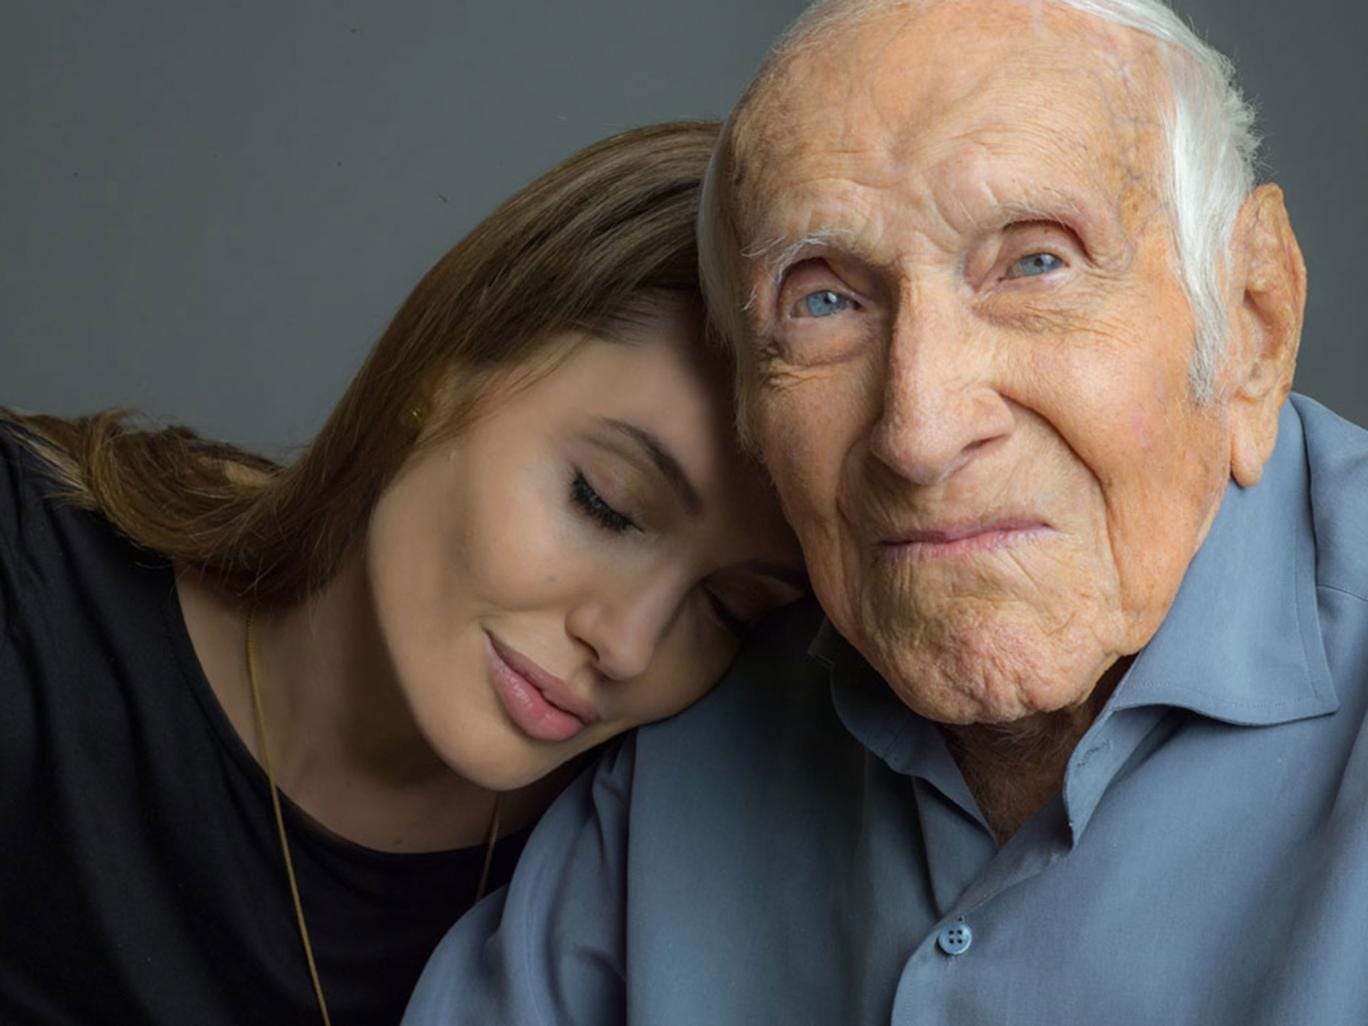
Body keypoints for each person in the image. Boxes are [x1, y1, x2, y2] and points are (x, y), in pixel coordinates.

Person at [403, 1, 1368, 1023]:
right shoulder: (700, 723)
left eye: (1036, 261)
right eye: (824, 301)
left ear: (1254, 323)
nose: (920, 431)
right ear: (750, 406)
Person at [0, 120, 805, 1025]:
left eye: (728, 608)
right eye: (604, 503)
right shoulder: (30, 584)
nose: (628, 644)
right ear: (447, 365)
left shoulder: (650, 858)